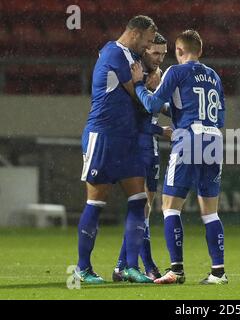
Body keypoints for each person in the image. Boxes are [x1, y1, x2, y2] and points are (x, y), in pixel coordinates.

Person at [130, 30, 228, 285]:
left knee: (170, 207)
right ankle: (218, 272)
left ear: (179, 51)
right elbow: (220, 117)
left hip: (188, 138)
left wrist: (139, 85)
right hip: (213, 138)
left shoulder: (175, 72)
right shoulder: (214, 76)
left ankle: (177, 270)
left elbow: (151, 105)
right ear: (201, 51)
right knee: (210, 213)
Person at [75, 15, 157, 284]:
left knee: (138, 200)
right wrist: (147, 85)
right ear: (136, 33)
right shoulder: (114, 52)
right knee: (96, 202)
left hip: (127, 138)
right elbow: (136, 94)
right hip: (104, 136)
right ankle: (83, 269)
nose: (147, 47)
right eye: (146, 41)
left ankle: (130, 267)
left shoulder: (128, 56)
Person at [113, 32, 172, 282]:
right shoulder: (134, 75)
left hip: (151, 148)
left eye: (163, 53)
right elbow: (136, 121)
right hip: (137, 146)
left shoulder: (155, 76)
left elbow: (157, 109)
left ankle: (121, 266)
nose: (159, 58)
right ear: (145, 50)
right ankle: (147, 264)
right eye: (155, 52)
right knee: (142, 209)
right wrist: (161, 130)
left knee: (143, 211)